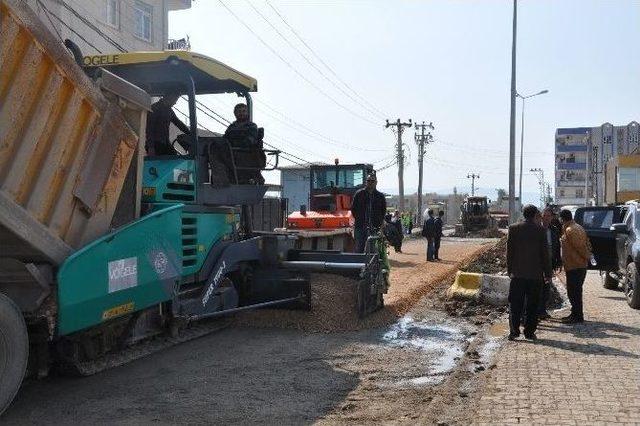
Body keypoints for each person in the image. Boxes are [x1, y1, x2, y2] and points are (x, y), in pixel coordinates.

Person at [506, 204, 552, 341]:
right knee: (533, 305)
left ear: (523, 214)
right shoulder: (540, 230)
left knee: (515, 304)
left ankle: (514, 331)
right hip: (535, 276)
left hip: (518, 275)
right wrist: (548, 273)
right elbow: (545, 254)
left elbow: (510, 252)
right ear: (534, 215)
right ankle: (529, 332)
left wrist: (510, 270)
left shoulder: (514, 228)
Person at [559, 209, 592, 324]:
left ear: (562, 219)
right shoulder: (575, 227)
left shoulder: (571, 229)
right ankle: (575, 314)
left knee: (574, 292)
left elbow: (581, 247)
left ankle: (577, 316)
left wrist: (588, 257)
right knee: (573, 292)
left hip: (576, 266)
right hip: (574, 265)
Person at [351, 173, 386, 253]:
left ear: (376, 182)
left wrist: (380, 227)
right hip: (360, 228)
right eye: (368, 180)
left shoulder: (380, 196)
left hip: (374, 229)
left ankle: (371, 266)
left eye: (372, 181)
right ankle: (359, 265)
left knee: (372, 252)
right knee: (358, 250)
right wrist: (359, 219)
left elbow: (383, 212)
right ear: (366, 182)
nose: (370, 182)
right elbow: (353, 209)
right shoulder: (359, 194)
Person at [539, 207, 563, 319]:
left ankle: (542, 310)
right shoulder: (537, 229)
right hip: (538, 264)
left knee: (546, 288)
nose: (547, 218)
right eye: (545, 216)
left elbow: (557, 246)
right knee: (537, 288)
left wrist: (558, 260)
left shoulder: (554, 230)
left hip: (550, 263)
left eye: (549, 216)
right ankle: (536, 311)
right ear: (541, 216)